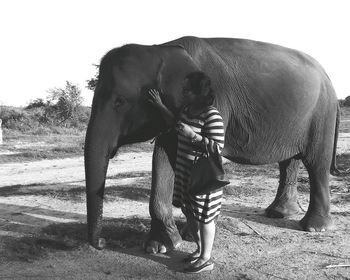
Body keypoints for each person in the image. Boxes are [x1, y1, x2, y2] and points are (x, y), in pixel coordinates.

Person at [148, 71, 225, 273]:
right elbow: (176, 123)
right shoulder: (187, 110)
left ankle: (206, 259)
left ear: (200, 92)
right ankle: (200, 251)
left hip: (204, 178)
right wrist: (160, 106)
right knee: (189, 212)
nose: (183, 93)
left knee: (205, 217)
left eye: (187, 90)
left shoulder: (212, 115)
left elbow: (217, 148)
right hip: (185, 174)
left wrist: (194, 136)